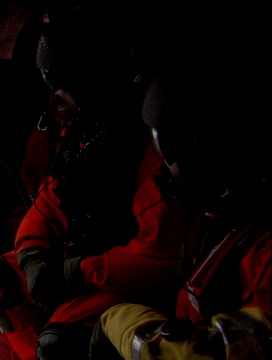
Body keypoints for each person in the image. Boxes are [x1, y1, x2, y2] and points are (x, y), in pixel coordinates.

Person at [0, 4, 189, 359]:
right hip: (88, 264)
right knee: (1, 280)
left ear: (89, 83)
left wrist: (75, 273)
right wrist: (32, 255)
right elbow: (54, 197)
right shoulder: (86, 132)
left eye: (64, 87)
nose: (57, 97)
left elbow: (157, 258)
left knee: (60, 344)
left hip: (130, 284)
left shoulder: (149, 149)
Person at [88, 51, 272, 360]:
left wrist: (123, 326)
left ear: (201, 150)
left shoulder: (262, 248)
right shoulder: (225, 219)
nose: (164, 166)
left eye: (168, 149)